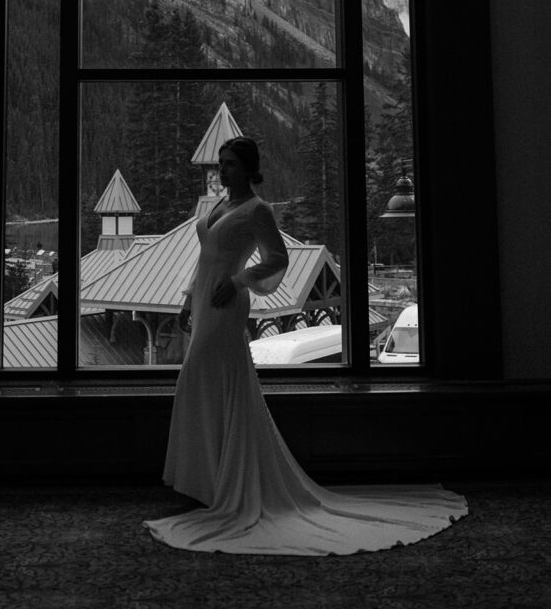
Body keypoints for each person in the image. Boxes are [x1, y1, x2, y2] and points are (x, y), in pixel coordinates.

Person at [144, 137, 467, 556]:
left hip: (226, 305)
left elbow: (278, 258)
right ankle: (205, 479)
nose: (222, 171)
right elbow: (204, 256)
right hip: (206, 299)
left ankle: (224, 481)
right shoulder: (217, 207)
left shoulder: (258, 210)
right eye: (221, 164)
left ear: (248, 169)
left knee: (211, 380)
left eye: (229, 165)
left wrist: (240, 280)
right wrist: (189, 298)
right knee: (199, 382)